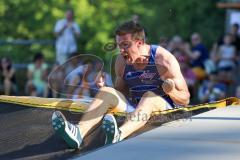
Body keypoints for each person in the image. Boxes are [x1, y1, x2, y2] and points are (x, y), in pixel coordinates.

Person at [51, 21, 190, 149]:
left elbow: (185, 98)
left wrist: (171, 91)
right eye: (119, 45)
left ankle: (119, 134)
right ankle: (78, 133)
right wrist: (105, 88)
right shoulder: (121, 62)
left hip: (165, 111)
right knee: (107, 92)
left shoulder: (163, 60)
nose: (121, 51)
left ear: (139, 43)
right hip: (137, 109)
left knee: (148, 97)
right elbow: (120, 93)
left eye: (125, 45)